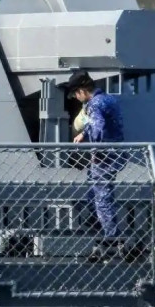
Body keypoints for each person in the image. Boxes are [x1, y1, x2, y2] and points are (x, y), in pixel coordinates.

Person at [65, 70, 128, 261]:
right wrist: (84, 134)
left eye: (76, 94)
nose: (76, 98)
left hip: (104, 157)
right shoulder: (108, 99)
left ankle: (111, 237)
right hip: (117, 152)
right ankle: (103, 228)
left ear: (82, 90)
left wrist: (96, 151)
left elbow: (98, 125)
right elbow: (98, 123)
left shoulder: (94, 104)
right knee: (94, 194)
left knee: (101, 198)